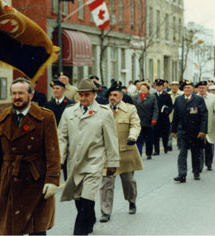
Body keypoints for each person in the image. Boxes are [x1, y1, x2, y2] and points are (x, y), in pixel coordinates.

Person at [0, 78, 61, 235]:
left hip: (36, 179)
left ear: (31, 95)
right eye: (13, 93)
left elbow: (53, 152)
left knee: (37, 230)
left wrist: (53, 179)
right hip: (10, 180)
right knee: (10, 229)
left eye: (21, 93)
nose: (17, 97)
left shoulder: (45, 117)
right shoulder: (1, 119)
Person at [58, 79, 120, 235]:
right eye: (81, 95)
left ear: (94, 95)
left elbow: (111, 140)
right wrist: (59, 159)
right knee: (79, 200)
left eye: (87, 95)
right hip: (73, 163)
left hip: (93, 162)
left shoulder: (104, 113)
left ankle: (79, 232)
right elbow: (62, 137)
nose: (84, 99)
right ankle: (90, 219)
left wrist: (112, 162)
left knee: (87, 199)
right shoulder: (69, 112)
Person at [99, 81, 143, 223]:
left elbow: (136, 125)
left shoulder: (130, 109)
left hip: (125, 152)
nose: (112, 97)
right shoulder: (102, 110)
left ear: (121, 96)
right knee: (107, 183)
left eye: (115, 95)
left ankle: (131, 201)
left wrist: (133, 136)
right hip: (108, 154)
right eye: (110, 95)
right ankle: (105, 211)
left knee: (128, 181)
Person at [172, 80, 208, 182]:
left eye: (189, 88)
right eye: (185, 88)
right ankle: (182, 174)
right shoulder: (178, 99)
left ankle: (196, 172)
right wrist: (173, 130)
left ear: (192, 89)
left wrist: (203, 130)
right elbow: (176, 116)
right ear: (183, 89)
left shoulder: (198, 99)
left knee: (195, 152)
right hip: (183, 131)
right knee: (182, 152)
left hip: (195, 131)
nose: (187, 89)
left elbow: (204, 116)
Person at [44, 79, 75, 180]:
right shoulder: (48, 105)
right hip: (52, 137)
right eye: (54, 88)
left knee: (67, 164)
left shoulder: (71, 104)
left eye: (57, 88)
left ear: (63, 90)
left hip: (66, 138)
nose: (55, 91)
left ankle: (68, 184)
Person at [196, 81, 215, 172]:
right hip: (197, 126)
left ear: (207, 88)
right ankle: (199, 166)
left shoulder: (213, 97)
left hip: (209, 125)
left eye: (203, 88)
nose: (201, 89)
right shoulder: (195, 97)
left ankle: (209, 163)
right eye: (200, 88)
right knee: (198, 147)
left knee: (208, 145)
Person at [132, 81, 159, 159]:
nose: (143, 90)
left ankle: (149, 153)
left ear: (148, 89)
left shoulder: (152, 97)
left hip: (148, 121)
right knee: (138, 139)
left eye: (144, 88)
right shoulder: (135, 97)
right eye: (141, 88)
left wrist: (154, 119)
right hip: (138, 121)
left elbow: (155, 109)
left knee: (149, 139)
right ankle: (138, 154)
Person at [153, 79, 173, 155]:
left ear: (163, 87)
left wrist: (167, 111)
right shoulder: (153, 96)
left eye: (160, 86)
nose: (158, 87)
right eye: (157, 86)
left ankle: (165, 148)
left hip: (164, 117)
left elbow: (171, 105)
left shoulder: (167, 95)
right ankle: (156, 150)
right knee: (156, 135)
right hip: (156, 118)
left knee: (165, 134)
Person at [168, 81, 183, 151]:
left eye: (176, 86)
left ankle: (179, 143)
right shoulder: (168, 94)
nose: (174, 87)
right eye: (173, 86)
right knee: (169, 131)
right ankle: (169, 144)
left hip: (179, 116)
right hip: (170, 116)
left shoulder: (182, 94)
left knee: (179, 131)